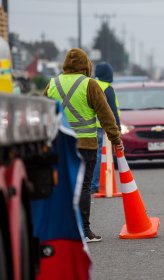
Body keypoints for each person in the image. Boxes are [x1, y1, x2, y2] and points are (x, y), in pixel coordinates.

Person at [44, 48, 123, 243]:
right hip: (86, 144)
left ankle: (61, 230)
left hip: (59, 145)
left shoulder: (52, 84)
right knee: (84, 187)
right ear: (87, 65)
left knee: (62, 187)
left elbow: (41, 112)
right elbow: (106, 116)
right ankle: (84, 230)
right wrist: (116, 140)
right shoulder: (90, 84)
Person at [91, 62, 121, 193]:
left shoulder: (92, 85)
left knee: (91, 156)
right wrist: (117, 128)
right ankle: (95, 184)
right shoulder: (107, 88)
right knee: (100, 157)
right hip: (103, 128)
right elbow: (112, 111)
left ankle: (89, 183)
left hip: (89, 126)